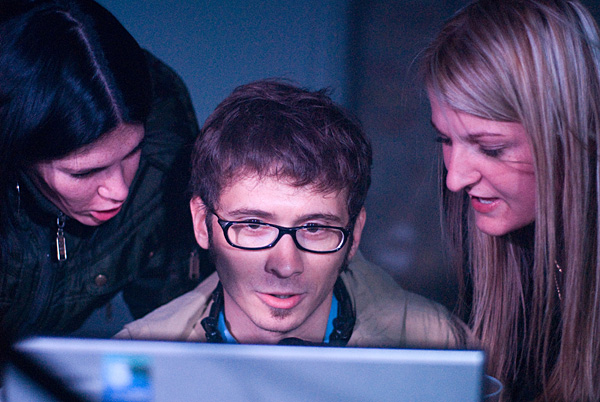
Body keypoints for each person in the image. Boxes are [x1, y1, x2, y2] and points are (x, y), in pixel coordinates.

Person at [115, 79, 467, 349]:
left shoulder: (442, 346)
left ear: (355, 233)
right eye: (253, 225)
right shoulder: (136, 354)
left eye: (314, 228)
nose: (285, 265)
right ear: (201, 223)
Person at [0, 0, 211, 340]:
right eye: (83, 173)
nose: (119, 190)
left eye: (134, 150)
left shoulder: (166, 136)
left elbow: (175, 325)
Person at [422, 0, 600, 400]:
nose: (454, 179)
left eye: (491, 148)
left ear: (573, 137)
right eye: (445, 140)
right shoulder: (501, 245)